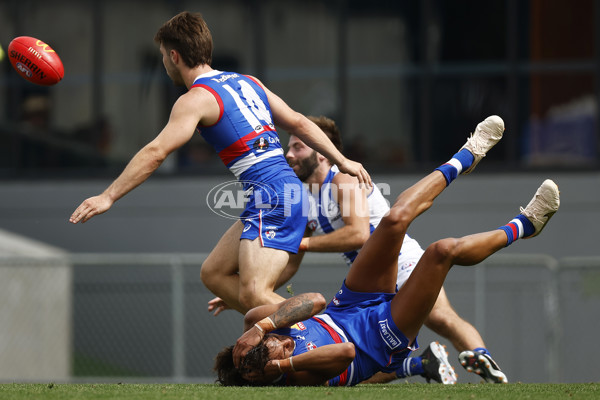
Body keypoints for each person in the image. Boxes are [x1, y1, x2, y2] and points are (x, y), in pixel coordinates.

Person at [213, 115, 561, 386]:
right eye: (274, 354)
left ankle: (465, 156)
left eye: (298, 147)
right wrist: (283, 363)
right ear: (266, 376)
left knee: (395, 219)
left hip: (350, 300)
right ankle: (524, 226)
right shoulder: (294, 375)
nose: (283, 344)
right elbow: (346, 351)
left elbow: (317, 298)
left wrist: (262, 324)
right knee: (442, 252)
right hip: (378, 335)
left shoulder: (334, 183)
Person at [68, 11, 370, 314]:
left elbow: (156, 152)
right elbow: (299, 122)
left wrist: (108, 196)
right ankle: (280, 333)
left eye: (162, 56)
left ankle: (330, 335)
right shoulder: (249, 82)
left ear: (174, 56)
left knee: (254, 295)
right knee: (213, 273)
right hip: (277, 193)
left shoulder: (195, 99)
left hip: (273, 196)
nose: (162, 63)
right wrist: (341, 159)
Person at [282, 115, 506, 383]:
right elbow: (293, 257)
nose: (288, 154)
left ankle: (482, 357)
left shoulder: (342, 179)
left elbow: (357, 234)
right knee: (365, 363)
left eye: (298, 146)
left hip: (400, 263)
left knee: (441, 318)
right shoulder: (308, 199)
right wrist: (259, 282)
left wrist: (301, 242)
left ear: (322, 153)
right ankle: (426, 363)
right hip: (370, 285)